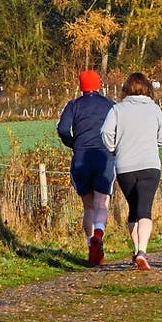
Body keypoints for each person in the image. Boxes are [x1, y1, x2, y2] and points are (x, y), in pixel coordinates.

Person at [101, 72, 162, 271]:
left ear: (126, 88)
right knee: (145, 209)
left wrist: (114, 147)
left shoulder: (117, 109)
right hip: (149, 165)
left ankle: (136, 249)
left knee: (133, 209)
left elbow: (105, 132)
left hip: (125, 166)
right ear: (147, 87)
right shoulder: (154, 108)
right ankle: (142, 251)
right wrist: (151, 144)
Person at [57, 70, 116, 266]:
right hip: (103, 155)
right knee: (101, 204)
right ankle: (99, 233)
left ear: (81, 86)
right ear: (99, 84)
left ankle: (91, 243)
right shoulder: (109, 105)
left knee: (88, 206)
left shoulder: (73, 106)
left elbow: (63, 129)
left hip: (81, 157)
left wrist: (73, 143)